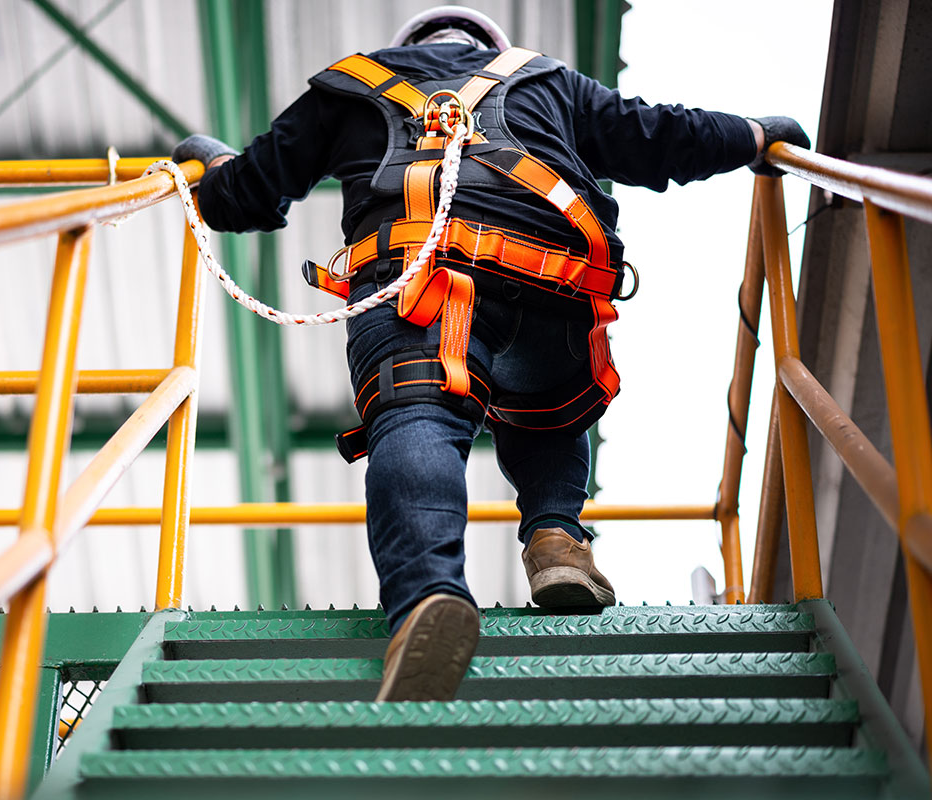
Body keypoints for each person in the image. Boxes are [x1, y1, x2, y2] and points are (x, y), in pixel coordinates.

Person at [172, 5, 809, 702]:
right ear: (491, 49)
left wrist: (207, 164)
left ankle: (427, 600)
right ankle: (557, 539)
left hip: (420, 286)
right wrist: (753, 137)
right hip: (556, 289)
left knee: (417, 420)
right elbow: (658, 136)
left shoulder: (347, 87)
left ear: (405, 50)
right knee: (548, 416)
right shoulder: (548, 81)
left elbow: (244, 197)